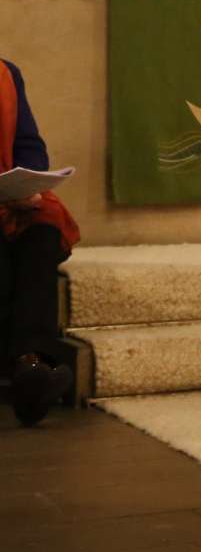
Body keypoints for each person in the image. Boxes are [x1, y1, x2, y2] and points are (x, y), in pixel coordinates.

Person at [1, 58, 79, 426]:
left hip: (4, 199)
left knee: (44, 228)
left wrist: (27, 183)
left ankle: (30, 364)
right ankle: (27, 369)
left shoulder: (5, 74)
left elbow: (29, 146)